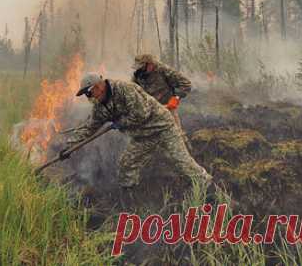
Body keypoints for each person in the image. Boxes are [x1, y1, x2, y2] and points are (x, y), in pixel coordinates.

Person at [61, 73, 213, 206]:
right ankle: (132, 202)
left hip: (162, 127)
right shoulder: (100, 107)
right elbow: (90, 127)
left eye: (89, 93)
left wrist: (121, 122)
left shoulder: (124, 89)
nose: (89, 97)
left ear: (98, 86)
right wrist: (69, 146)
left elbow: (142, 113)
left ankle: (212, 192)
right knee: (126, 166)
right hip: (143, 136)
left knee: (182, 161)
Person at [132, 54, 192, 149]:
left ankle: (189, 154)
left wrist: (175, 98)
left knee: (177, 139)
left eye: (143, 67)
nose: (141, 70)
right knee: (147, 142)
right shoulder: (138, 75)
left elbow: (186, 84)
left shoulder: (164, 70)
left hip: (167, 109)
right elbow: (133, 91)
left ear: (150, 64)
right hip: (149, 111)